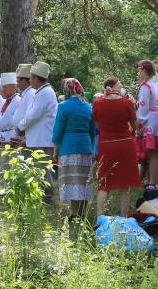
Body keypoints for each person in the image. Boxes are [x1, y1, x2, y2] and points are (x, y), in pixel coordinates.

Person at [92, 78, 141, 216]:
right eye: (120, 85)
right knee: (125, 185)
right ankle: (124, 217)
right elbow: (135, 124)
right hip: (125, 144)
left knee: (104, 184)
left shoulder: (97, 103)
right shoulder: (127, 103)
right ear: (113, 87)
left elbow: (97, 125)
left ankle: (100, 218)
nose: (121, 87)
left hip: (107, 144)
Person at [52, 78, 96, 219]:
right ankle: (82, 209)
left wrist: (55, 148)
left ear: (67, 90)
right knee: (83, 179)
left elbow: (58, 130)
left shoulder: (63, 106)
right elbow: (92, 130)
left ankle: (74, 210)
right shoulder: (89, 107)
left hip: (68, 146)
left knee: (72, 179)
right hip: (85, 146)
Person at [17, 61, 58, 200]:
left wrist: (20, 126)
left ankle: (47, 196)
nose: (29, 80)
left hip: (42, 139)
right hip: (37, 138)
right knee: (37, 169)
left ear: (36, 78)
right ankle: (38, 195)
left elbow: (33, 114)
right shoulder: (42, 92)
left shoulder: (45, 93)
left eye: (31, 77)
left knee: (43, 169)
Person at [135, 60, 158, 187]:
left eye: (139, 70)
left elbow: (143, 107)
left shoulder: (145, 86)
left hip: (149, 120)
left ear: (144, 70)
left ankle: (154, 183)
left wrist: (140, 123)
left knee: (152, 154)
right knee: (155, 155)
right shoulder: (155, 85)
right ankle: (156, 182)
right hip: (157, 118)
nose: (138, 73)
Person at [0, 72, 21, 176]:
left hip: (12, 138)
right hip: (3, 138)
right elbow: (0, 121)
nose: (3, 89)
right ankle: (4, 189)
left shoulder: (18, 101)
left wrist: (15, 137)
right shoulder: (5, 102)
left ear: (13, 87)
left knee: (13, 166)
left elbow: (17, 121)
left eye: (5, 87)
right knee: (4, 167)